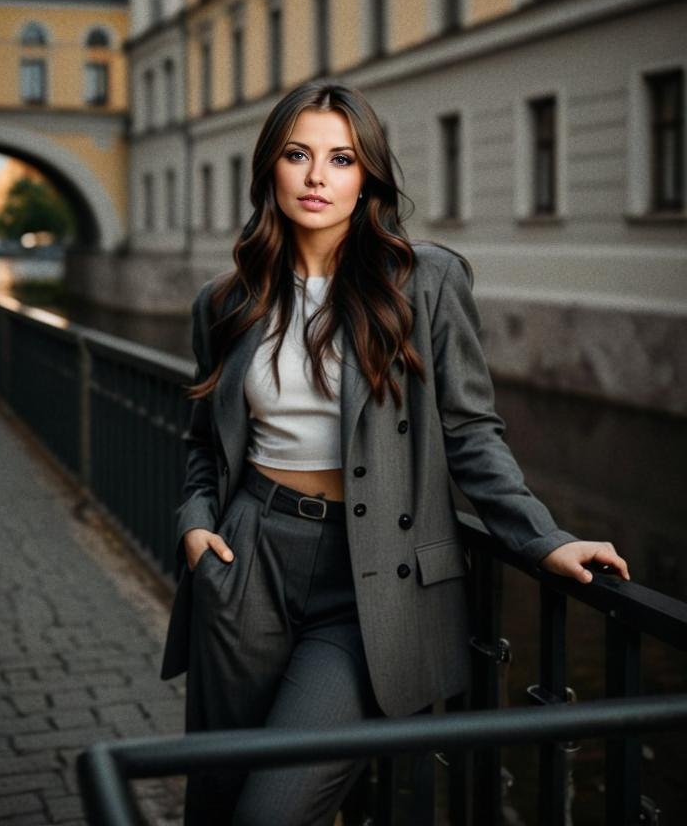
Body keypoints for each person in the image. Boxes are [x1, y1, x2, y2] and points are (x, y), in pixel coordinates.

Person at [159, 81, 629, 826]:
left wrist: (544, 539)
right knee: (218, 799)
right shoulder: (227, 300)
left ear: (367, 175)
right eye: (297, 155)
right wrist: (195, 523)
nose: (317, 177)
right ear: (270, 171)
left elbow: (471, 431)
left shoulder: (425, 281)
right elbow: (201, 442)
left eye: (341, 159)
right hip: (247, 558)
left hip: (374, 573)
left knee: (271, 811)